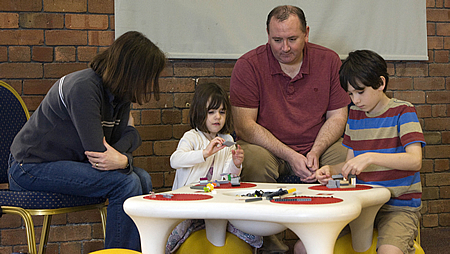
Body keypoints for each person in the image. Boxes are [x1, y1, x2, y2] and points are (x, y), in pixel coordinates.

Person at [9, 31, 166, 251]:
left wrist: (129, 141)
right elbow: (100, 156)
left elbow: (118, 146)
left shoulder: (121, 94)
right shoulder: (83, 87)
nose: (150, 83)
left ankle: (140, 250)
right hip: (29, 168)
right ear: (132, 71)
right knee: (126, 182)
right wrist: (125, 155)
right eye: (149, 76)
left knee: (142, 177)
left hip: (70, 164)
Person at [229, 5, 350, 252]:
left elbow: (338, 116)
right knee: (251, 159)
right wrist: (292, 156)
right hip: (269, 149)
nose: (285, 48)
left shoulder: (329, 60)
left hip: (319, 145)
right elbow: (245, 126)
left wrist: (315, 150)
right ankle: (269, 244)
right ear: (267, 34)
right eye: (277, 40)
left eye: (292, 39)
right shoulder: (248, 65)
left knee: (345, 157)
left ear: (306, 33)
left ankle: (329, 238)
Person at [295, 50, 425, 254]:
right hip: (360, 205)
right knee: (304, 248)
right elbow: (350, 166)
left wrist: (370, 157)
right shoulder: (355, 115)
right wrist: (330, 169)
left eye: (360, 91)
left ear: (381, 83)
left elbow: (415, 161)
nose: (355, 100)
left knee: (388, 251)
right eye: (350, 94)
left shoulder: (404, 112)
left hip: (398, 207)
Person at [167, 83, 261, 253]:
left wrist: (235, 164)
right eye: (211, 112)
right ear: (199, 112)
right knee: (173, 236)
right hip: (189, 207)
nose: (217, 117)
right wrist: (204, 153)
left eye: (222, 112)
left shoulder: (226, 140)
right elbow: (175, 160)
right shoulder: (191, 137)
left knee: (254, 235)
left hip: (217, 207)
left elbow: (227, 179)